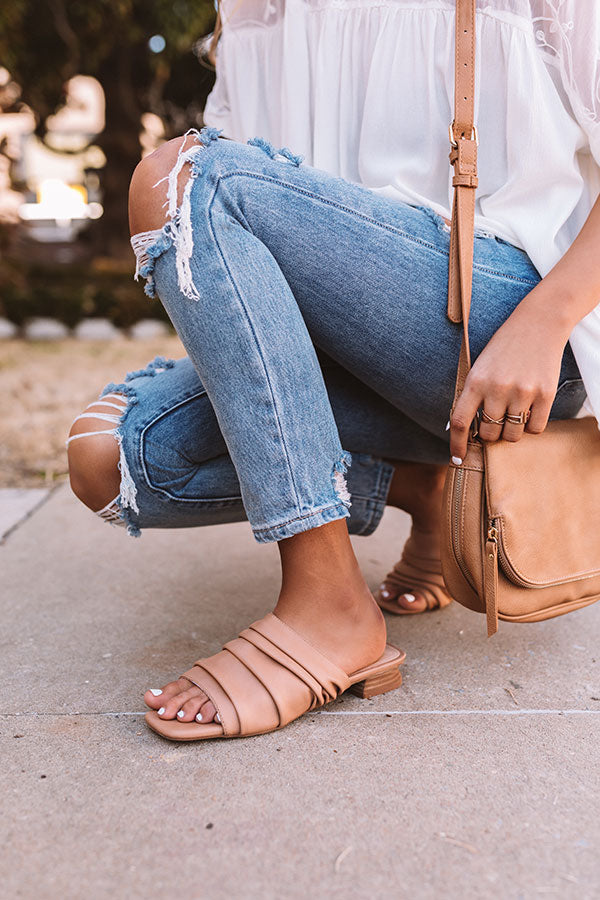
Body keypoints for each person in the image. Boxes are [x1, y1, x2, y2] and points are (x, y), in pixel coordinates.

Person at [67, 0, 600, 741]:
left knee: (184, 178)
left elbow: (216, 195)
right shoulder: (254, 10)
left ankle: (329, 602)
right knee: (114, 461)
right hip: (352, 339)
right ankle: (429, 488)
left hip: (513, 321)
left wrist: (548, 320)